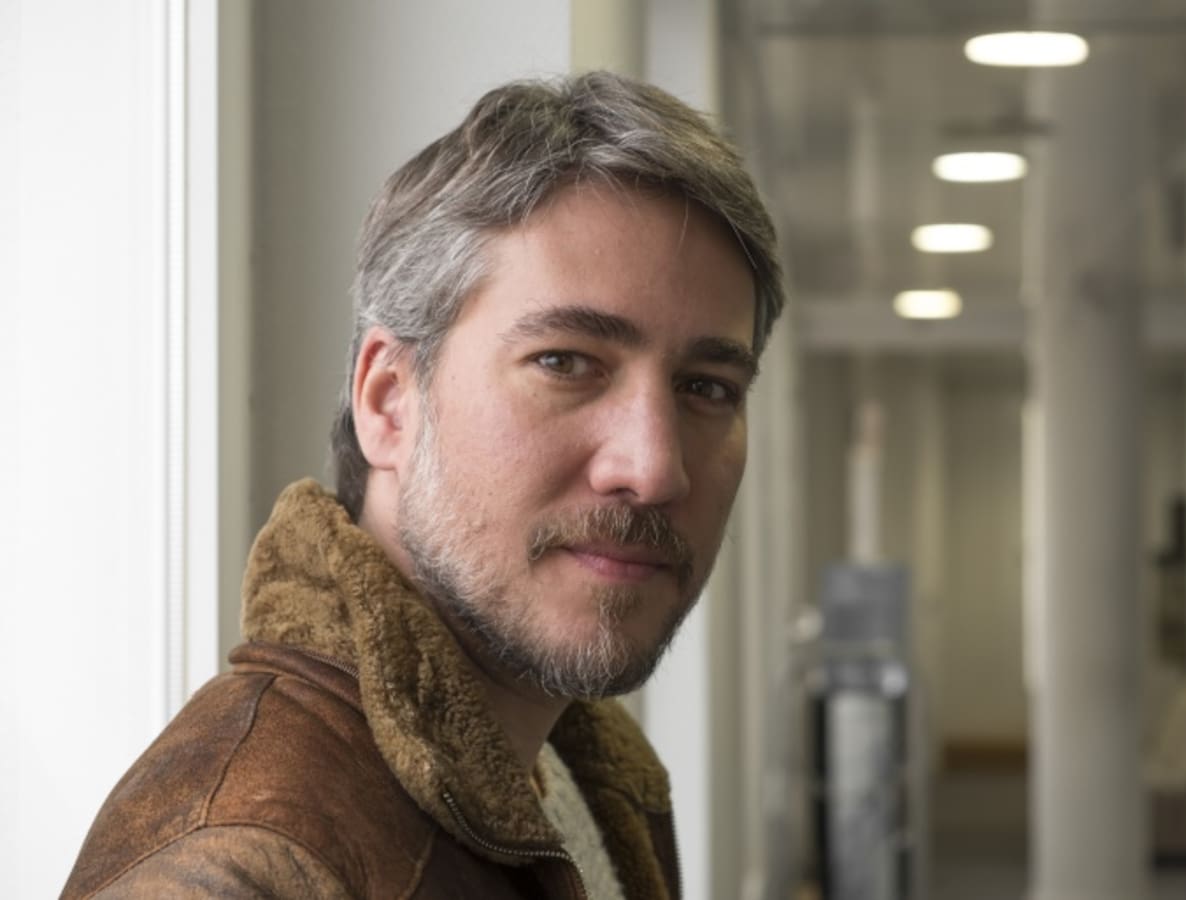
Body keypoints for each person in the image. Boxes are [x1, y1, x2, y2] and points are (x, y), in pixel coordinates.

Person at [62, 70, 783, 900]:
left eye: (707, 388)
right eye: (565, 362)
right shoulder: (243, 864)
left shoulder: (583, 774)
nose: (654, 468)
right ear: (388, 402)